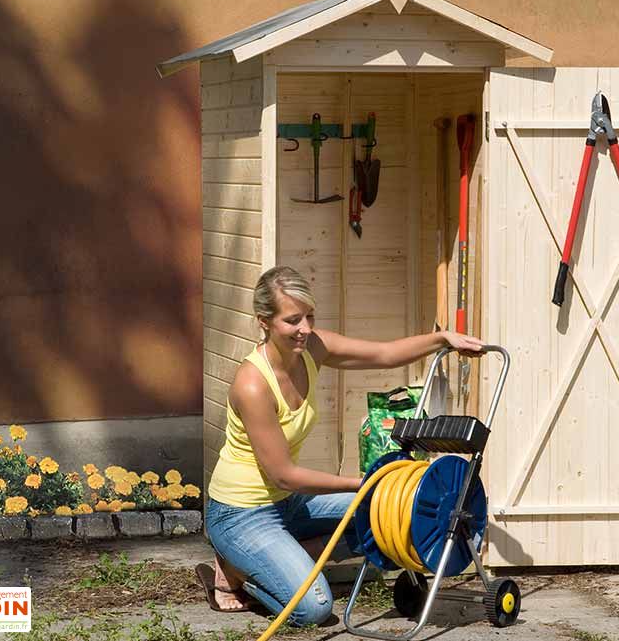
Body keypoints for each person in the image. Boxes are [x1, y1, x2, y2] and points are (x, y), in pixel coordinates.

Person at [196, 265, 483, 626]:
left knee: (390, 512)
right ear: (264, 322)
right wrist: (363, 482)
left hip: (290, 505)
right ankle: (235, 570)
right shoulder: (253, 385)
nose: (305, 329)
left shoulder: (312, 347)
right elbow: (284, 475)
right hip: (242, 513)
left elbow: (383, 354)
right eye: (293, 320)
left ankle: (289, 556)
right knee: (312, 609)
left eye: (310, 317)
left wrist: (443, 340)